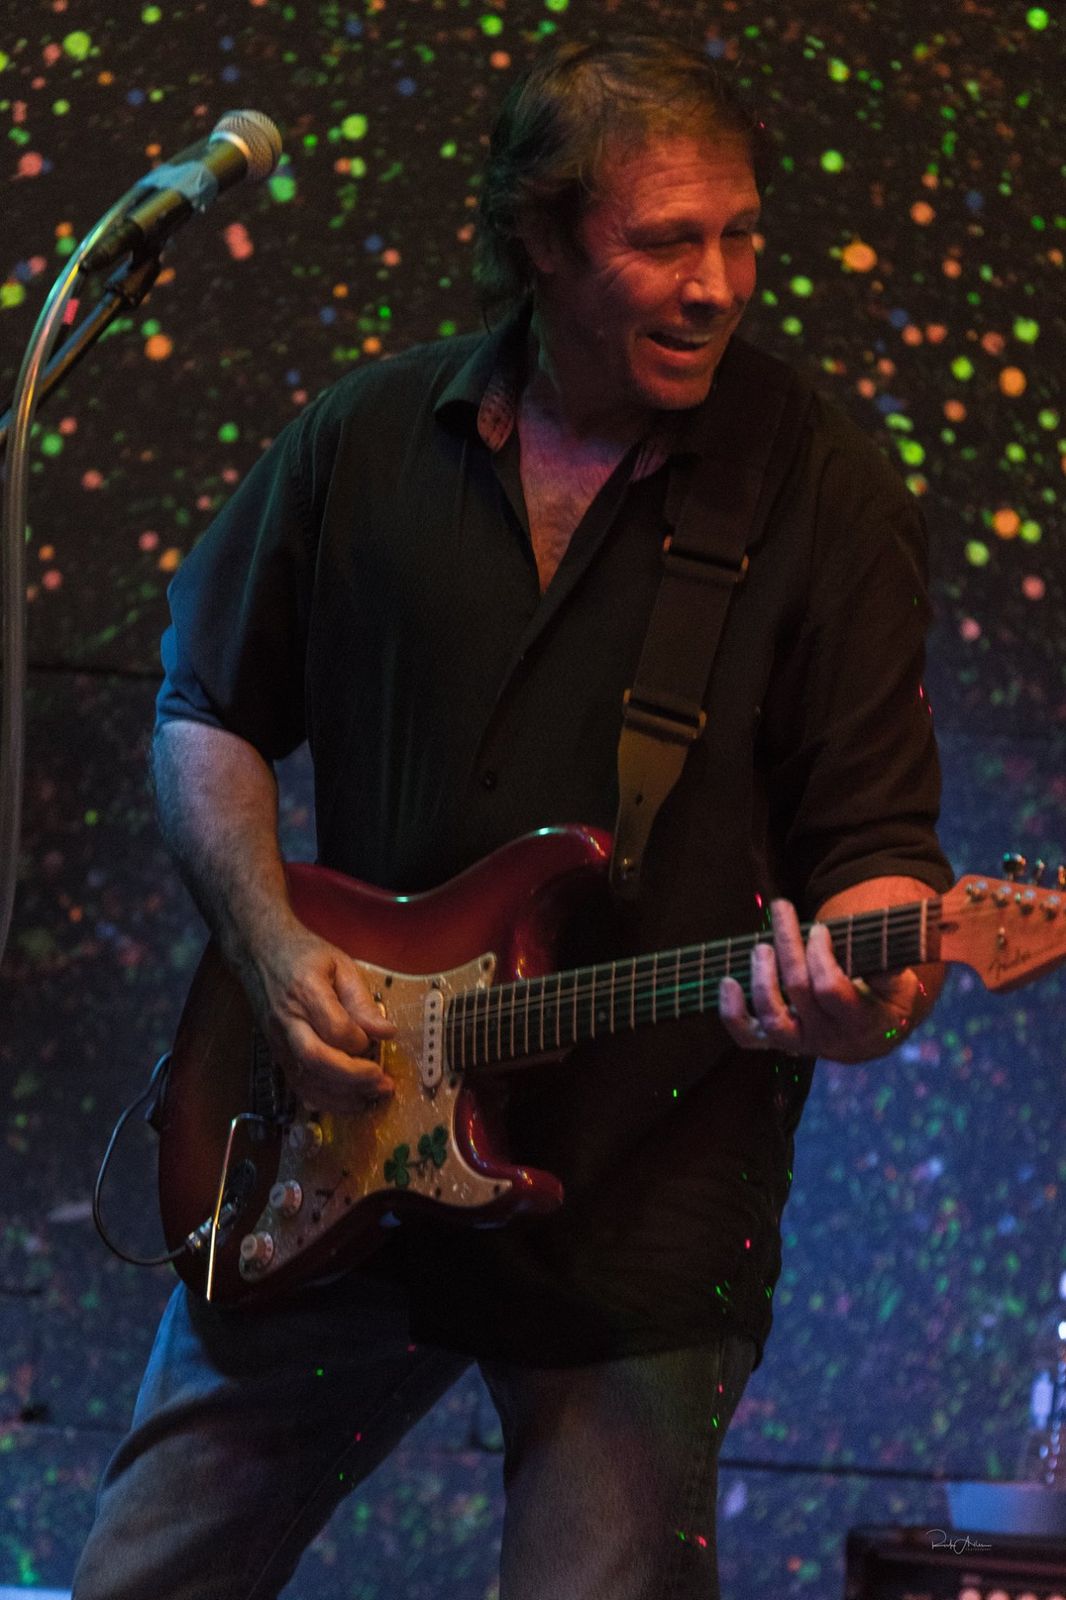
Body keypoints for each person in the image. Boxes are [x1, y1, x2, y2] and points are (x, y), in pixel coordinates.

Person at [74, 35, 953, 1600]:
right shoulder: (366, 437)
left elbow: (877, 852)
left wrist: (860, 1001)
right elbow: (203, 713)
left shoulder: (819, 489)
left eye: (741, 234)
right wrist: (271, 951)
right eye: (664, 242)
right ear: (539, 240)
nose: (717, 285)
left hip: (639, 1206)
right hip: (328, 1141)